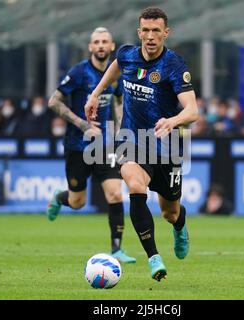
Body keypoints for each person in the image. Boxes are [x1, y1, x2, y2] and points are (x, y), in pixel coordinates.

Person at [84, 7, 199, 281]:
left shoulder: (174, 66)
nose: (150, 36)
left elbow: (193, 111)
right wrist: (95, 94)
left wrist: (173, 121)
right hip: (132, 141)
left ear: (165, 33)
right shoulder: (127, 54)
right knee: (135, 186)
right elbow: (115, 67)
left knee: (169, 212)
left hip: (166, 147)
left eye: (156, 31)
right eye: (145, 31)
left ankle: (180, 225)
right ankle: (154, 258)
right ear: (139, 32)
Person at [46, 27, 136, 263]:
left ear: (112, 46)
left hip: (105, 147)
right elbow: (53, 101)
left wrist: (120, 130)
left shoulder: (114, 74)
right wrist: (82, 124)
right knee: (78, 202)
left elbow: (118, 100)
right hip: (78, 145)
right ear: (90, 47)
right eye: (96, 41)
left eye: (105, 41)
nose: (100, 45)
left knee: (116, 193)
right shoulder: (79, 72)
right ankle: (59, 198)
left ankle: (116, 249)